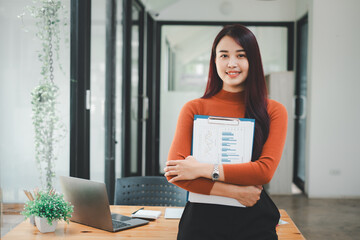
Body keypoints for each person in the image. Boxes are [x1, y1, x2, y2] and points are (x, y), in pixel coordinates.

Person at [164, 24, 288, 240]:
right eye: (224, 55)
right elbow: (175, 173)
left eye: (241, 55)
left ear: (253, 61)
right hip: (201, 221)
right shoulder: (194, 108)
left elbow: (264, 171)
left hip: (254, 220)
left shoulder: (273, 111)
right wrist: (235, 192)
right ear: (214, 61)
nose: (232, 63)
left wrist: (201, 169)